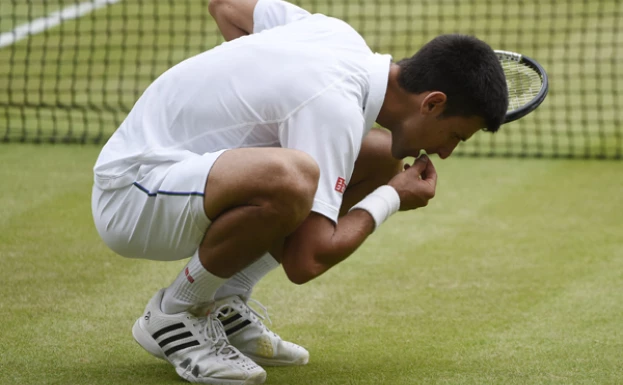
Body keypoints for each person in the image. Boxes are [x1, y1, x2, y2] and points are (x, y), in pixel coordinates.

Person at [91, 0, 508, 383]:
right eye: (454, 135)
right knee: (292, 177)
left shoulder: (338, 36)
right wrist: (392, 198)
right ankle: (176, 312)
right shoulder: (336, 107)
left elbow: (227, 5)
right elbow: (305, 260)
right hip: (132, 194)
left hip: (182, 177)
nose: (447, 151)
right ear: (432, 103)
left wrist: (249, 87)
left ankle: (224, 297)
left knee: (379, 157)